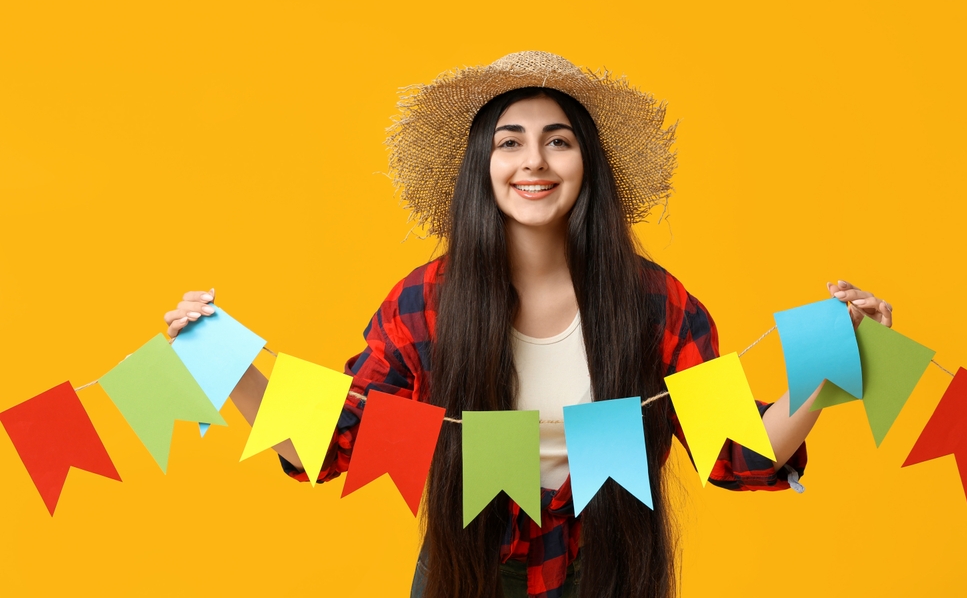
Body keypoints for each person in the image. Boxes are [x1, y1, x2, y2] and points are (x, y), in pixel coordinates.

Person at [163, 52, 893, 598]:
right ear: (482, 166)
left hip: (615, 573)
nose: (533, 161)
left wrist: (834, 365)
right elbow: (329, 445)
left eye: (559, 140)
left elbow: (740, 452)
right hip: (466, 574)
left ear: (587, 165)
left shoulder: (652, 302)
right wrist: (228, 365)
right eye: (509, 141)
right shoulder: (427, 302)